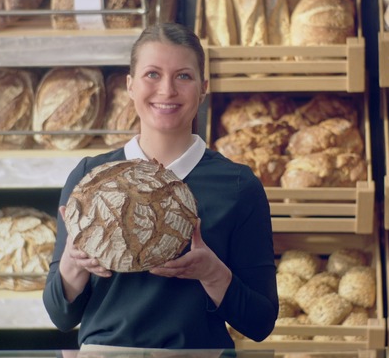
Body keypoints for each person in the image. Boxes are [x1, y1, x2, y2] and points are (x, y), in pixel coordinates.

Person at [43, 22, 278, 350]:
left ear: (203, 87)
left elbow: (260, 322)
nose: (167, 90)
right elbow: (60, 316)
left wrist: (213, 274)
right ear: (130, 85)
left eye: (183, 76)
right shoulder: (90, 177)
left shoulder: (238, 186)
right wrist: (72, 262)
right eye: (152, 74)